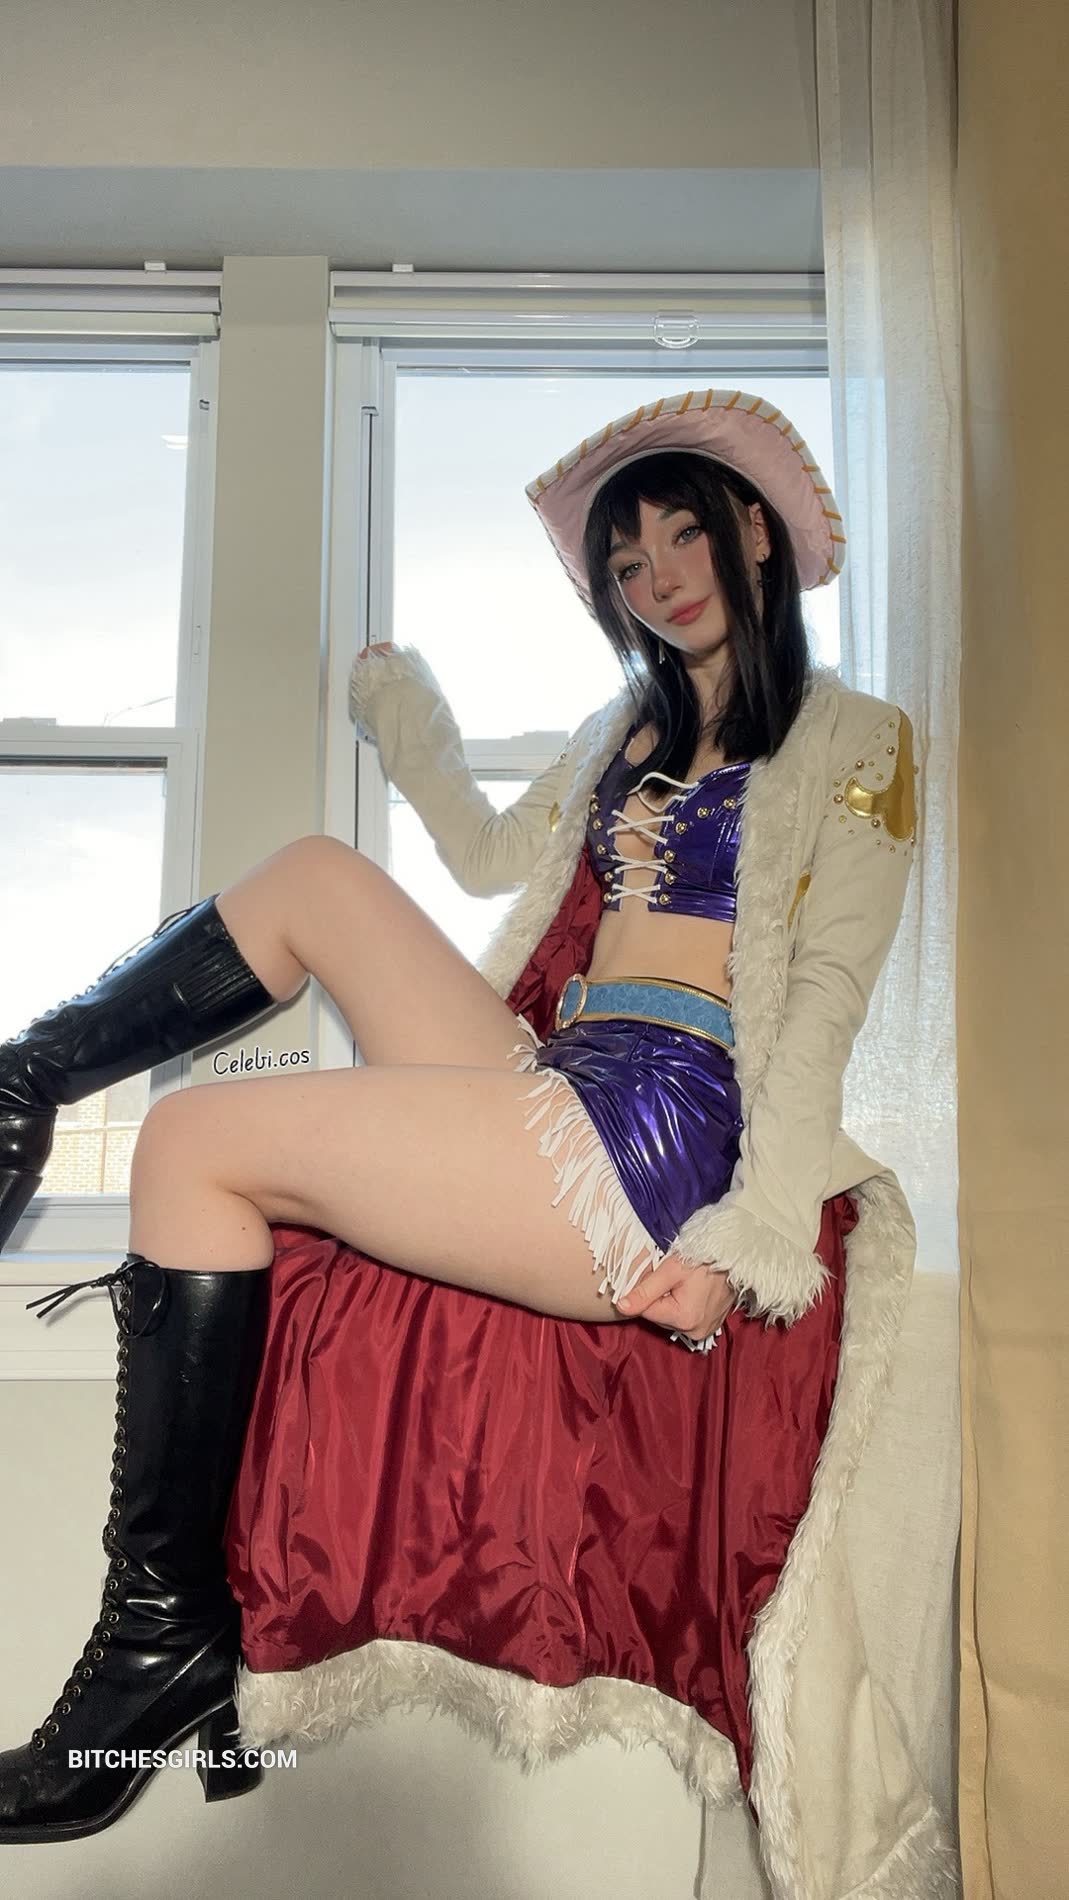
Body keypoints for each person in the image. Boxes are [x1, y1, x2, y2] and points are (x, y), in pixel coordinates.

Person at [0, 386, 917, 1845]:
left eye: (683, 535)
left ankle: (158, 1641)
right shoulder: (628, 727)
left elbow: (822, 1002)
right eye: (627, 563)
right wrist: (410, 723)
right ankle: (20, 1087)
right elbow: (496, 855)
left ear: (753, 531)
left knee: (191, 1142)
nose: (659, 578)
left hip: (657, 1130)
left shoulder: (858, 739)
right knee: (314, 875)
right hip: (559, 1074)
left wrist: (745, 1242)